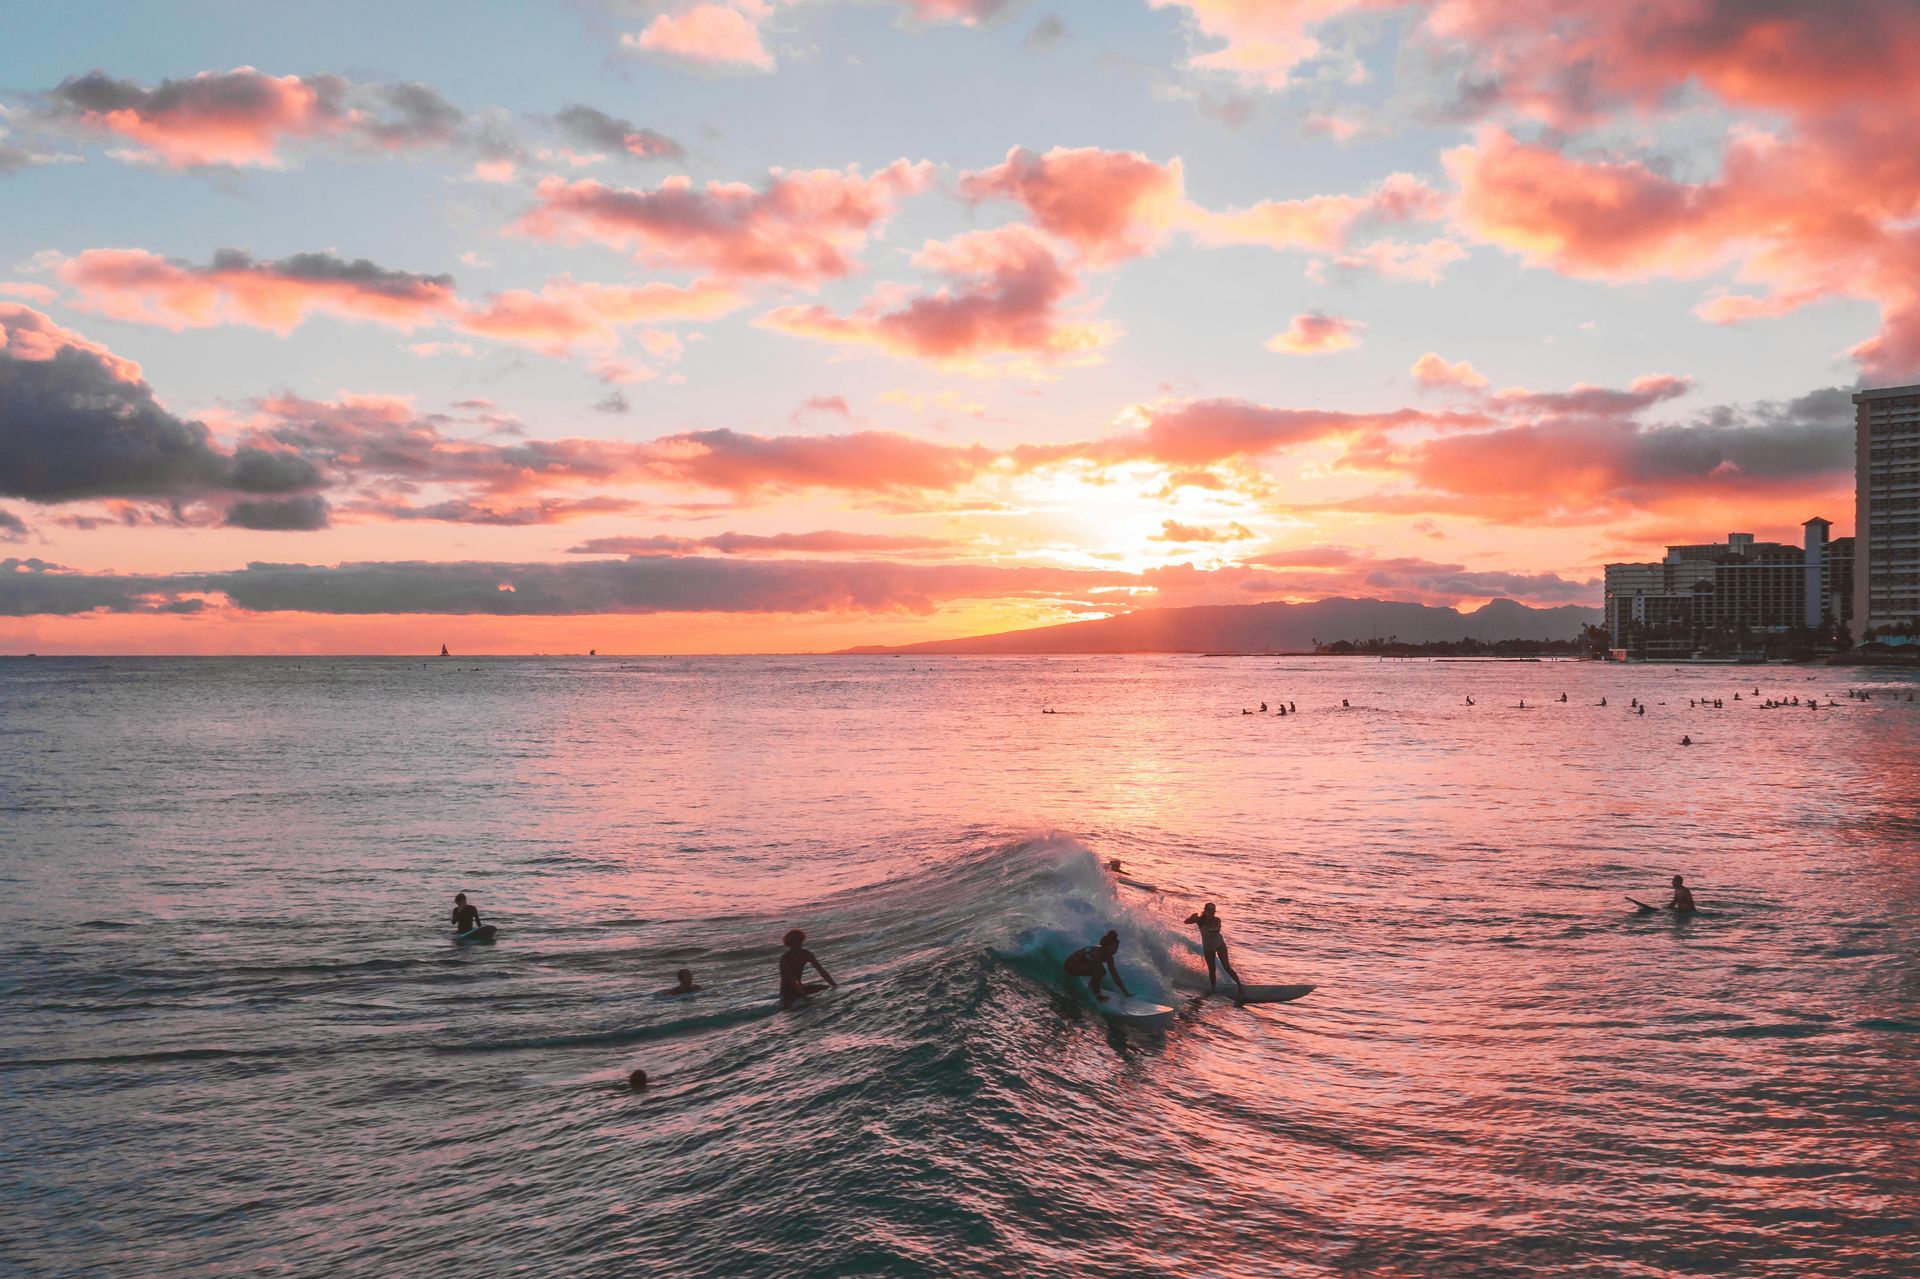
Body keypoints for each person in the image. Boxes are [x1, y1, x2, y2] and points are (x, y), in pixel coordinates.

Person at [1183, 903, 1244, 999]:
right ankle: (1213, 989)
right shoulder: (1200, 920)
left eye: (1213, 912)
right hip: (1208, 947)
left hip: (1219, 944)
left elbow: (1217, 929)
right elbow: (1185, 922)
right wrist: (1192, 918)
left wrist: (1212, 929)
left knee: (1226, 967)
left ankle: (1240, 986)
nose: (1212, 914)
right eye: (1209, 912)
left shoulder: (1217, 920)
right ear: (1205, 911)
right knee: (1212, 970)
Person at [1063, 930, 1130, 1002]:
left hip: (1080, 966)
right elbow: (1096, 972)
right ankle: (1096, 992)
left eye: (1117, 949)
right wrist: (1098, 995)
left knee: (1103, 971)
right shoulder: (1097, 952)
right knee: (1100, 970)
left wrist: (1125, 992)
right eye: (1114, 948)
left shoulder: (1109, 957)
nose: (1115, 951)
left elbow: (1115, 975)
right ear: (1107, 946)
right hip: (1070, 965)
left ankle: (1092, 987)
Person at [778, 928, 837, 1007]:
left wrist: (834, 985)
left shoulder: (806, 954)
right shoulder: (785, 958)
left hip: (801, 987)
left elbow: (821, 971)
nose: (798, 943)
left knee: (826, 988)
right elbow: (792, 979)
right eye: (795, 941)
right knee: (787, 1006)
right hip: (787, 991)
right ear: (790, 943)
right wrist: (804, 996)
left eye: (799, 940)